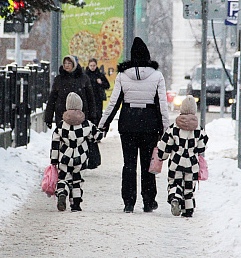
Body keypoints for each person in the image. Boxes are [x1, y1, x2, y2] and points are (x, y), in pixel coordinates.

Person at [98, 37, 170, 213]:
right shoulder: (157, 76)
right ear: (147, 56)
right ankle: (148, 201)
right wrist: (166, 130)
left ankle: (129, 202)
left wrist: (103, 125)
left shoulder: (123, 76)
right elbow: (162, 105)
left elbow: (114, 103)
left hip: (128, 124)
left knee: (129, 164)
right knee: (148, 165)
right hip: (150, 126)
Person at [50, 93, 103, 212]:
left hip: (65, 156)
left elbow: (55, 142)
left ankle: (62, 192)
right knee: (77, 180)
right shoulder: (86, 124)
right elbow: (97, 136)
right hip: (81, 156)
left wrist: (54, 159)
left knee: (63, 177)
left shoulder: (62, 125)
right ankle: (76, 204)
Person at [156, 95, 208, 218]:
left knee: (175, 183)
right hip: (192, 163)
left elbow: (165, 145)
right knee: (189, 189)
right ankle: (188, 210)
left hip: (176, 162)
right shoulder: (199, 130)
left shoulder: (173, 128)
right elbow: (202, 147)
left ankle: (175, 198)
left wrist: (162, 156)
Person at [45, 55, 97, 128]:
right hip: (62, 115)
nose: (66, 65)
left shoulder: (83, 78)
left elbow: (90, 99)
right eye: (65, 63)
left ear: (74, 64)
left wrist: (92, 117)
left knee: (78, 137)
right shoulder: (59, 79)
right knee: (63, 137)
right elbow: (52, 99)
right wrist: (48, 118)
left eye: (69, 63)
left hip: (80, 116)